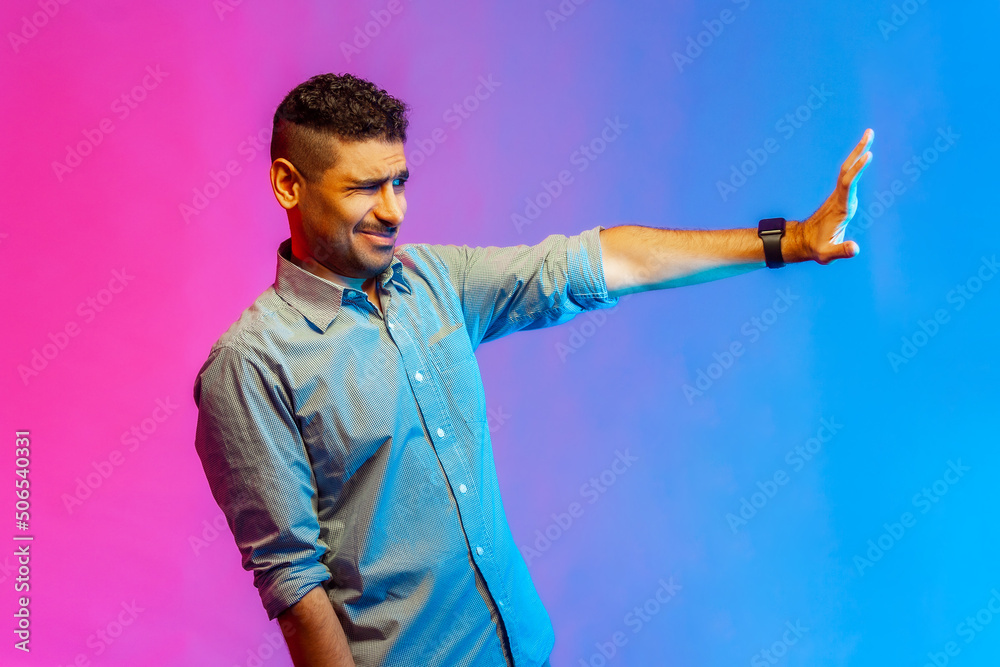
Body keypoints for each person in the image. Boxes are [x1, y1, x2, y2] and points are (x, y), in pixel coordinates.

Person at [192, 72, 873, 667]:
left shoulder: (435, 282)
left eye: (399, 181)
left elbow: (600, 261)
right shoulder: (251, 365)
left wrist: (788, 241)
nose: (394, 210)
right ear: (288, 182)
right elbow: (296, 586)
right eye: (365, 188)